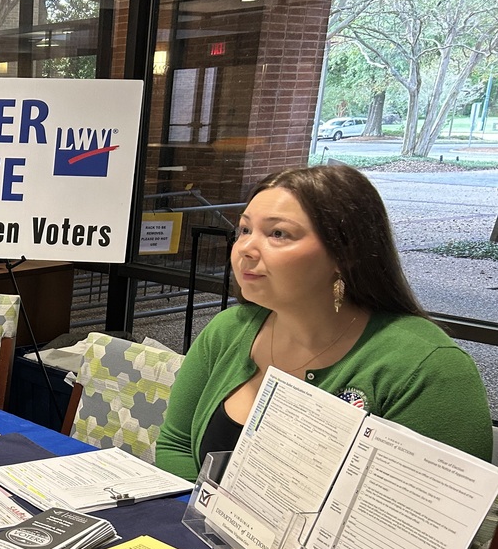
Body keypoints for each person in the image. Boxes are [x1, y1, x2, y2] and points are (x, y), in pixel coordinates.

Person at [156, 165, 492, 482]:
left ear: (345, 254)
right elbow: (177, 444)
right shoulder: (229, 329)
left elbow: (426, 522)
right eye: (244, 230)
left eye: (278, 233)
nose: (246, 248)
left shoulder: (427, 369)